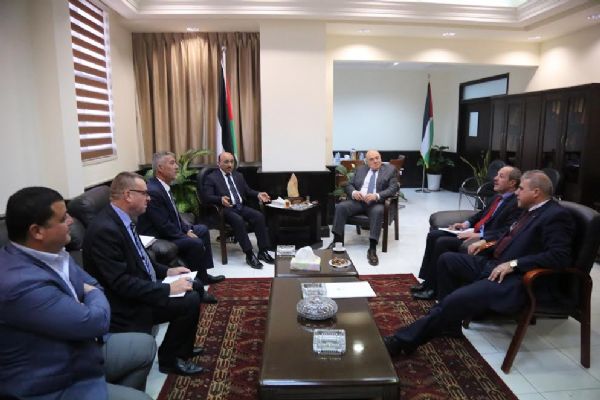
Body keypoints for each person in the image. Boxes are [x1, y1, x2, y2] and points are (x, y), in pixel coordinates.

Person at [383, 170, 574, 357]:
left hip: (516, 279)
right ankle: (449, 324)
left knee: (454, 300)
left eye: (521, 188)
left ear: (536, 192)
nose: (516, 192)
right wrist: (486, 242)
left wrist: (514, 264)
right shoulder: (530, 210)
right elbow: (511, 236)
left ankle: (403, 341)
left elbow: (559, 256)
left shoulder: (555, 216)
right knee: (447, 259)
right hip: (494, 264)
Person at [0, 187, 154, 400]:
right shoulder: (19, 284)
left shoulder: (53, 251)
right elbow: (95, 322)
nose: (71, 221)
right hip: (52, 380)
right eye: (63, 218)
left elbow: (94, 285)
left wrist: (90, 294)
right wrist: (90, 296)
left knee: (145, 345)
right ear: (37, 232)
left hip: (79, 346)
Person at [83, 172, 205, 376]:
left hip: (140, 286)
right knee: (189, 300)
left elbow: (141, 260)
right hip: (125, 305)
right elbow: (121, 283)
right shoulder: (105, 230)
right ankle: (169, 359)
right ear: (128, 195)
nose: (149, 198)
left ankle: (183, 348)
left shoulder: (123, 219)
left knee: (196, 285)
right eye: (145, 194)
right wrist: (167, 288)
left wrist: (167, 271)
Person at [411, 166, 522, 300]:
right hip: (473, 230)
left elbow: (507, 231)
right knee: (433, 235)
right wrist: (465, 224)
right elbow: (481, 214)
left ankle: (433, 289)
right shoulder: (497, 197)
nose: (495, 178)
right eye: (497, 175)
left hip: (483, 238)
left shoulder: (516, 203)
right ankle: (428, 281)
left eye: (501, 176)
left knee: (442, 242)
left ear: (512, 183)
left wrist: (479, 236)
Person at [137, 151, 225, 303]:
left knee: (202, 230)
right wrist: (184, 235)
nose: (177, 167)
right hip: (159, 236)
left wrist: (187, 230)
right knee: (195, 243)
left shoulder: (163, 186)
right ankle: (197, 287)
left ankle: (203, 276)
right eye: (172, 163)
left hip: (170, 230)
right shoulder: (154, 191)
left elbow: (175, 215)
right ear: (160, 168)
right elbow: (163, 225)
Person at [202, 151, 274, 269]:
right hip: (225, 209)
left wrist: (258, 194)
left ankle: (263, 251)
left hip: (240, 206)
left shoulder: (238, 175)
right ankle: (249, 254)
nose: (230, 165)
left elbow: (247, 191)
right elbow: (206, 197)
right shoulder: (212, 178)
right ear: (218, 163)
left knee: (258, 216)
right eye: (226, 162)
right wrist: (220, 199)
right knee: (238, 220)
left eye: (232, 162)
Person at [329, 150, 399, 266]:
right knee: (341, 207)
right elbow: (349, 184)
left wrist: (377, 195)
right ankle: (337, 241)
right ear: (367, 161)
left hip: (376, 203)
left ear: (381, 158)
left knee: (377, 211)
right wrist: (354, 192)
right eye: (372, 159)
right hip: (359, 202)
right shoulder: (361, 169)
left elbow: (393, 188)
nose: (375, 161)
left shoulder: (390, 170)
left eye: (377, 158)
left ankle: (372, 249)